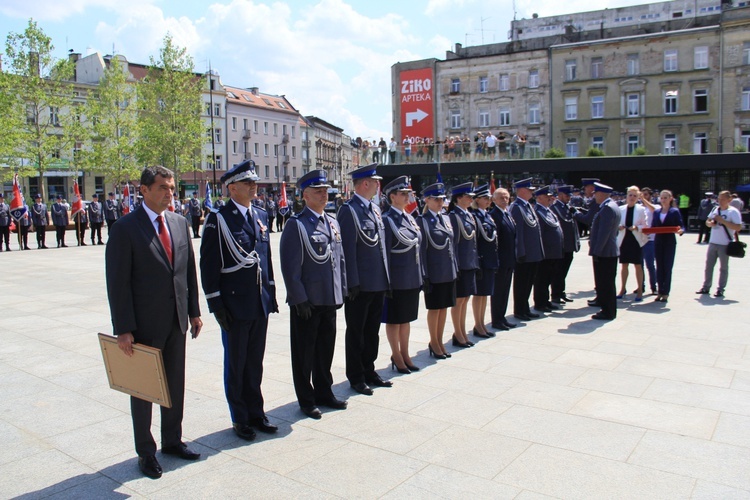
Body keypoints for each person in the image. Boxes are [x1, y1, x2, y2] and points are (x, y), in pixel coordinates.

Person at [105, 165, 203, 479]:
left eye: (172, 188)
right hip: (144, 325)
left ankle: (172, 440)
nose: (169, 194)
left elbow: (188, 272)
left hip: (176, 320)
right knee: (145, 390)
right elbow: (117, 283)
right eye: (162, 187)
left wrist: (194, 311)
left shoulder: (179, 222)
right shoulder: (125, 228)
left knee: (175, 384)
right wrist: (124, 329)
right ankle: (146, 452)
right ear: (144, 190)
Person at [200, 160, 278, 439]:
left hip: (258, 302)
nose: (253, 185)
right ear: (232, 188)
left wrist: (271, 294)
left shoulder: (260, 214)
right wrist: (216, 304)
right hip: (234, 304)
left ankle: (257, 412)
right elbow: (208, 266)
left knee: (255, 361)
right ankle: (240, 417)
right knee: (237, 362)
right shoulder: (218, 219)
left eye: (254, 181)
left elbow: (264, 259)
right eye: (247, 182)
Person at [280, 170, 348, 420]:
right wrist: (298, 298)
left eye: (325, 190)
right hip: (308, 301)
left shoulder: (332, 221)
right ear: (305, 195)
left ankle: (324, 391)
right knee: (304, 353)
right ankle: (306, 399)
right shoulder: (296, 224)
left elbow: (339, 259)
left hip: (328, 297)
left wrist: (342, 290)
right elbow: (290, 266)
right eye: (318, 190)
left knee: (325, 350)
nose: (324, 194)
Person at [337, 163, 391, 395]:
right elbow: (347, 249)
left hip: (377, 282)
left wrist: (386, 280)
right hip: (360, 285)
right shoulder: (348, 210)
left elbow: (380, 248)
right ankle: (356, 375)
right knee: (356, 332)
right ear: (366, 183)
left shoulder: (375, 209)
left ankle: (369, 369)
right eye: (376, 182)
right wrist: (353, 282)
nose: (379, 186)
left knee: (372, 331)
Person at [381, 176, 423, 373]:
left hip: (411, 278)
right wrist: (386, 282)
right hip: (396, 280)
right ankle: (396, 355)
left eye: (408, 193)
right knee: (394, 319)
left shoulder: (409, 218)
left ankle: (405, 353)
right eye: (403, 194)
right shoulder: (388, 220)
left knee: (406, 319)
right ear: (392, 196)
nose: (407, 196)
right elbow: (385, 254)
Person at [418, 182, 457, 359]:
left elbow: (452, 246)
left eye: (442, 199)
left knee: (444, 308)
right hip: (434, 273)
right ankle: (434, 342)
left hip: (447, 271)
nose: (440, 202)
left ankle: (440, 341)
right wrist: (424, 275)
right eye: (436, 199)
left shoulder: (446, 218)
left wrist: (455, 268)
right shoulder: (423, 221)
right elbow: (422, 250)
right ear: (427, 200)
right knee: (435, 309)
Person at [448, 182, 479, 347]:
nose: (470, 199)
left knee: (465, 299)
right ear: (458, 198)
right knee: (459, 301)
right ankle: (458, 333)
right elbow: (454, 244)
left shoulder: (468, 215)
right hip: (461, 265)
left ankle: (462, 331)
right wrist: (456, 266)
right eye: (468, 196)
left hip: (470, 263)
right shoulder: (454, 216)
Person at [509, 178, 544, 322]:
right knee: (522, 283)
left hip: (533, 253)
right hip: (525, 254)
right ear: (522, 190)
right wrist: (520, 252)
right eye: (530, 190)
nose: (532, 192)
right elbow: (519, 232)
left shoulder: (527, 206)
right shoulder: (517, 207)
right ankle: (519, 310)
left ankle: (525, 308)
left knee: (529, 282)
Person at [696, 190, 742, 298]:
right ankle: (706, 287)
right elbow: (708, 221)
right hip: (713, 242)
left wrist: (723, 221)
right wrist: (710, 223)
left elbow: (738, 227)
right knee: (709, 266)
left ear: (729, 199)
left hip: (725, 243)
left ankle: (721, 289)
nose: (720, 201)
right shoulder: (715, 209)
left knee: (723, 268)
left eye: (723, 199)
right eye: (719, 199)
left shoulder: (733, 212)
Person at [588, 182, 621, 320]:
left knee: (605, 283)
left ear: (601, 194)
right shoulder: (612, 206)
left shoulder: (607, 208)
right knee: (606, 282)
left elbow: (603, 234)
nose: (594, 196)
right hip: (609, 251)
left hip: (605, 252)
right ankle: (607, 308)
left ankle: (608, 311)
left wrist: (596, 251)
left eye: (595, 194)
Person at [470, 184, 498, 338]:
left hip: (490, 258)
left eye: (489, 198)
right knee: (479, 294)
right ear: (477, 200)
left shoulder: (487, 215)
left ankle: (481, 323)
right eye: (485, 198)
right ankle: (477, 325)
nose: (488, 201)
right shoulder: (475, 216)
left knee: (485, 294)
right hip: (481, 259)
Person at [532, 186, 563, 313]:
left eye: (550, 197)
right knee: (541, 279)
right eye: (547, 197)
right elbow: (540, 234)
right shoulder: (538, 211)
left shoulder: (548, 210)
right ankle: (540, 303)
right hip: (546, 252)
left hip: (553, 253)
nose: (550, 199)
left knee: (548, 278)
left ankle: (545, 301)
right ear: (539, 198)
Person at [489, 188, 517, 330]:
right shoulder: (494, 215)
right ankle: (496, 319)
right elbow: (495, 241)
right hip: (501, 260)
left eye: (506, 197)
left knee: (505, 291)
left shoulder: (507, 213)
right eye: (501, 198)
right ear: (494, 200)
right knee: (498, 291)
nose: (505, 200)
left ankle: (502, 317)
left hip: (509, 259)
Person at [651, 190, 685, 303]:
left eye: (666, 198)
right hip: (658, 242)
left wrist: (680, 231)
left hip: (669, 242)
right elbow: (653, 226)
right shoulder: (656, 212)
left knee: (667, 267)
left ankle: (666, 292)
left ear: (670, 198)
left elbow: (681, 226)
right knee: (659, 267)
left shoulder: (674, 211)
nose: (663, 200)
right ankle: (660, 291)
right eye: (662, 198)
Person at [616, 186, 648, 302]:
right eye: (630, 195)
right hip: (624, 239)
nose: (632, 198)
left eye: (635, 196)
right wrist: (618, 227)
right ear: (627, 196)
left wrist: (636, 227)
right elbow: (616, 222)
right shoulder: (620, 209)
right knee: (624, 265)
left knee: (638, 266)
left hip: (635, 240)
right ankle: (622, 288)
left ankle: (640, 290)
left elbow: (645, 225)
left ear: (638, 197)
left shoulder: (641, 209)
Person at [550, 185, 580, 304]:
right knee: (558, 271)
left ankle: (561, 292)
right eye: (567, 195)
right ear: (560, 195)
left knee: (564, 271)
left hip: (569, 246)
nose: (569, 198)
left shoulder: (568, 207)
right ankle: (555, 294)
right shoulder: (555, 208)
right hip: (561, 246)